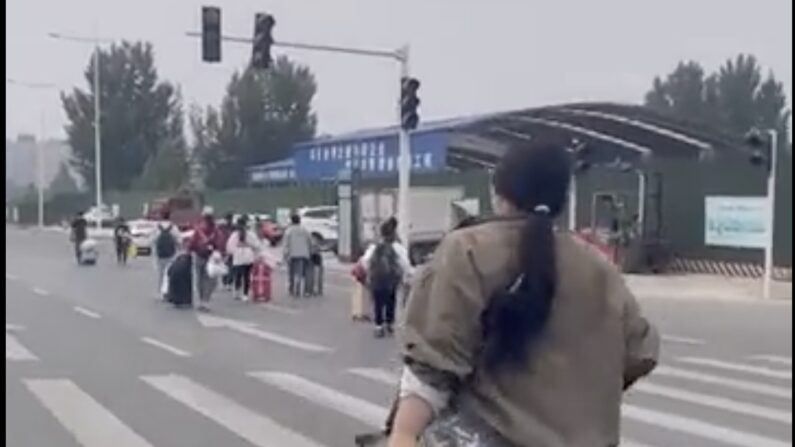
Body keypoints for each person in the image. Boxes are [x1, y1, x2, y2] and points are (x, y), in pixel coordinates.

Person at [387, 144, 660, 447]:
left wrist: (403, 435)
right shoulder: (599, 268)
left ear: (499, 192)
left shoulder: (467, 250)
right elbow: (641, 352)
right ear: (562, 199)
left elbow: (432, 368)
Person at [361, 220, 412, 338]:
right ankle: (389, 323)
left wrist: (369, 273)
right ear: (394, 233)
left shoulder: (374, 247)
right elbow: (405, 264)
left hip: (377, 279)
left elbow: (365, 261)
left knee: (378, 303)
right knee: (391, 301)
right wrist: (407, 276)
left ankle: (378, 326)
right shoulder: (397, 247)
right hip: (391, 281)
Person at [188, 207, 225, 311]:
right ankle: (206, 300)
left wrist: (189, 251)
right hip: (211, 258)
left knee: (200, 279)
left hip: (199, 256)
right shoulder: (216, 231)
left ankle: (201, 300)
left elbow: (192, 243)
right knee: (211, 280)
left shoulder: (199, 230)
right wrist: (220, 253)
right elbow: (220, 244)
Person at [226, 216, 261, 301]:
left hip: (238, 256)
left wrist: (233, 252)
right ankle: (245, 294)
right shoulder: (251, 234)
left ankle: (237, 292)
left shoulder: (234, 235)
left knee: (238, 275)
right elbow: (257, 245)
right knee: (247, 276)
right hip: (248, 256)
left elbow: (229, 247)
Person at [282, 214, 313, 297]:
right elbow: (310, 242)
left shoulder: (289, 231)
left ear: (292, 221)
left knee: (291, 273)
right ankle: (299, 289)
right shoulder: (305, 230)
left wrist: (284, 255)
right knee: (301, 273)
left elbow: (285, 244)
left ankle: (292, 289)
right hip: (303, 254)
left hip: (292, 254)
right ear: (300, 220)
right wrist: (310, 252)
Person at [153, 211, 182, 299]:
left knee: (161, 274)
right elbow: (179, 240)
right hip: (171, 254)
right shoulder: (173, 227)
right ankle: (168, 291)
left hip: (160, 254)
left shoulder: (157, 227)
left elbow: (152, 239)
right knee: (169, 273)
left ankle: (161, 292)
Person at [218, 212, 236, 290]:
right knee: (230, 266)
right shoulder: (233, 228)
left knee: (225, 266)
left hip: (223, 248)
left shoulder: (222, 227)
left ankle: (225, 282)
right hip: (229, 248)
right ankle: (228, 282)